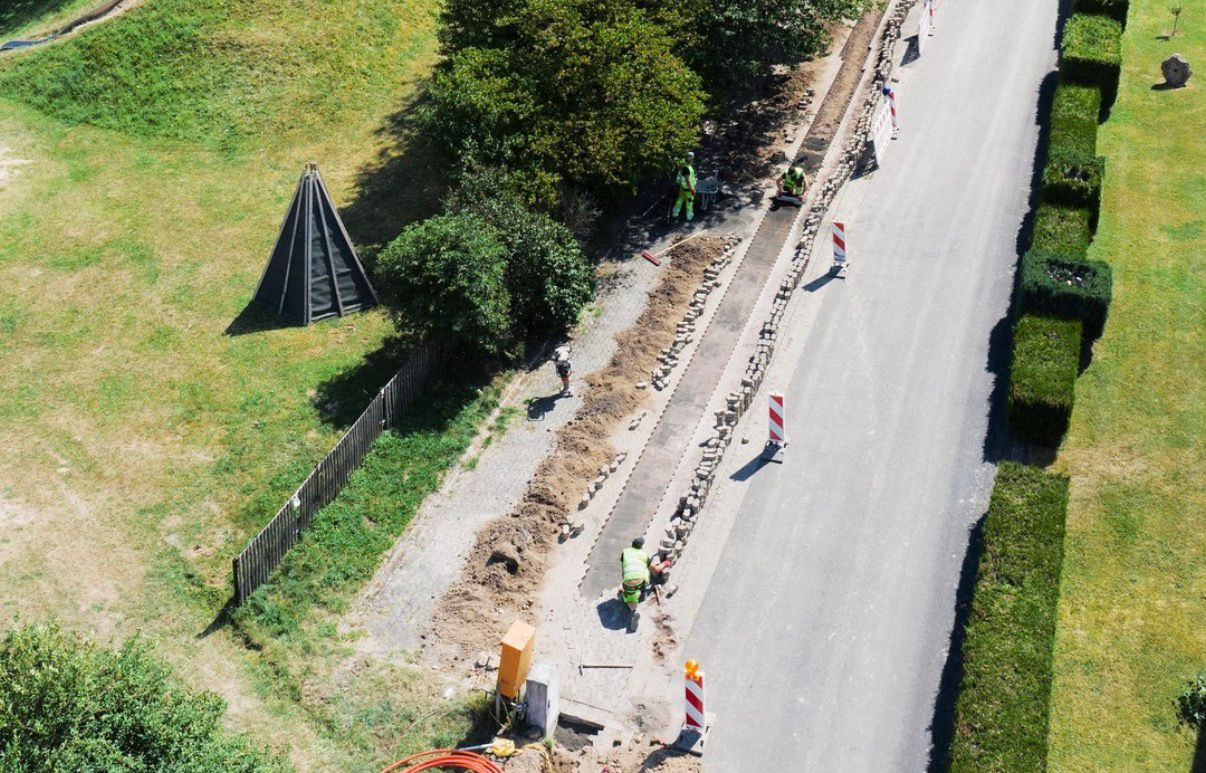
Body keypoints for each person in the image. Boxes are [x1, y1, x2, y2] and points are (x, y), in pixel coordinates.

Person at [670, 152, 697, 222]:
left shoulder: (684, 166)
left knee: (680, 199)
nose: (693, 160)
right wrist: (692, 189)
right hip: (688, 189)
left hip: (682, 188)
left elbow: (680, 177)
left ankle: (675, 213)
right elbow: (688, 181)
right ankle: (689, 216)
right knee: (689, 202)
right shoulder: (687, 168)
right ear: (691, 159)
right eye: (693, 159)